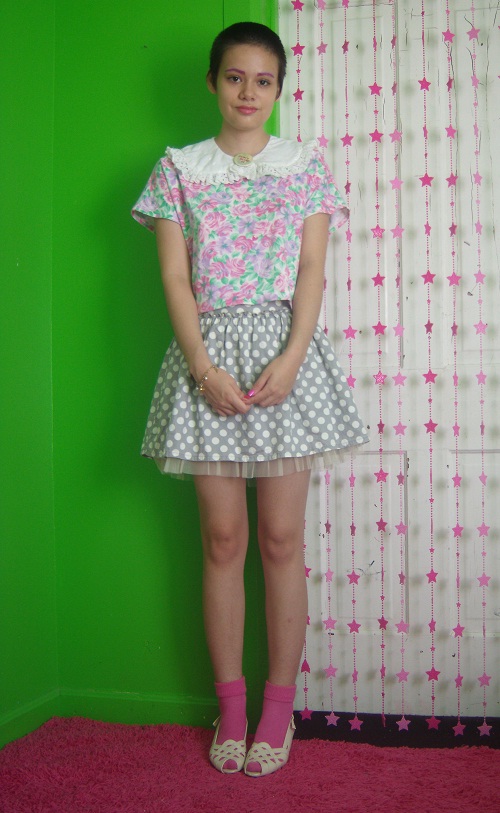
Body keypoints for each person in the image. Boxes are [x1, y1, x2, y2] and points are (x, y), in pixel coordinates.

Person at [132, 21, 368, 777]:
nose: (247, 92)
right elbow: (174, 276)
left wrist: (293, 359)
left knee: (281, 540)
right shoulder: (179, 168)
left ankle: (277, 708)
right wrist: (202, 367)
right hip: (209, 365)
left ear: (279, 89)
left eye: (263, 81)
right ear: (213, 82)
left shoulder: (304, 165)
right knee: (222, 539)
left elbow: (311, 270)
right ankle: (230, 707)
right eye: (234, 77)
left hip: (283, 364)